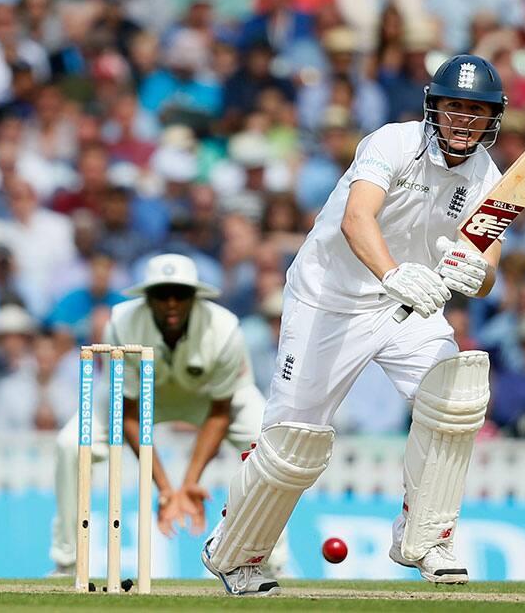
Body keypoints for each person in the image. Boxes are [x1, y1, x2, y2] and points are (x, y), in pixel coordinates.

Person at [202, 54, 508, 595]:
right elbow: (355, 218)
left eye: (475, 110)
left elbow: (488, 272)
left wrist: (476, 271)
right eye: (454, 106)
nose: (463, 119)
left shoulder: (490, 176)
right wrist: (392, 274)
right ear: (433, 107)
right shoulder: (392, 142)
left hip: (406, 308)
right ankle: (236, 553)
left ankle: (427, 539)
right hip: (328, 299)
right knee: (294, 439)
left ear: (491, 119)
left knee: (457, 394)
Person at [50, 254, 271, 575]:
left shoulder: (224, 329)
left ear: (195, 297)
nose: (171, 303)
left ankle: (271, 562)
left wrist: (189, 482)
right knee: (70, 445)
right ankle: (67, 562)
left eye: (180, 294)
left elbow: (220, 412)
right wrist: (166, 489)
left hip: (206, 397)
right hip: (138, 398)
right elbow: (127, 413)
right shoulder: (121, 323)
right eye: (161, 294)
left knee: (265, 444)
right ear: (147, 297)